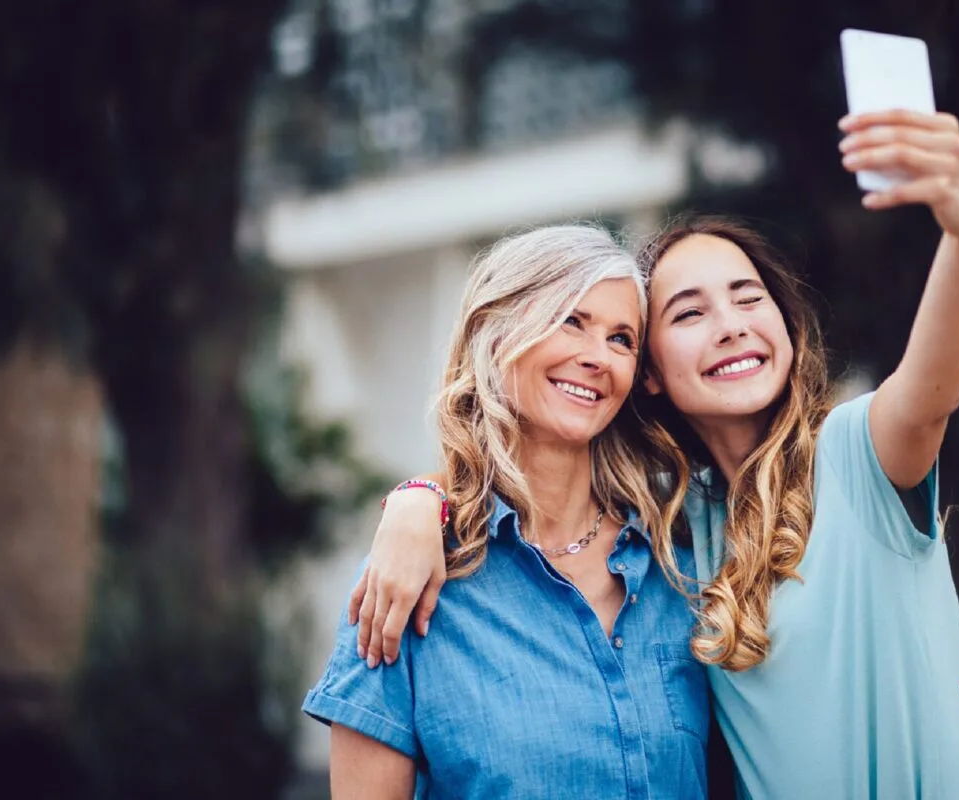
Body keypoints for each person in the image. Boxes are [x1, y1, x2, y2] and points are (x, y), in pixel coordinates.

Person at [351, 110, 959, 798]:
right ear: (651, 372)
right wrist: (418, 502)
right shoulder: (672, 532)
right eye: (689, 314)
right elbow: (531, 470)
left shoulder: (853, 456)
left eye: (748, 299)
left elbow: (932, 389)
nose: (730, 327)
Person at [302, 225, 713, 799]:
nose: (597, 357)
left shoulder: (682, 560)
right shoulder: (408, 582)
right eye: (571, 320)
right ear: (496, 336)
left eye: (622, 339)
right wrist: (419, 496)